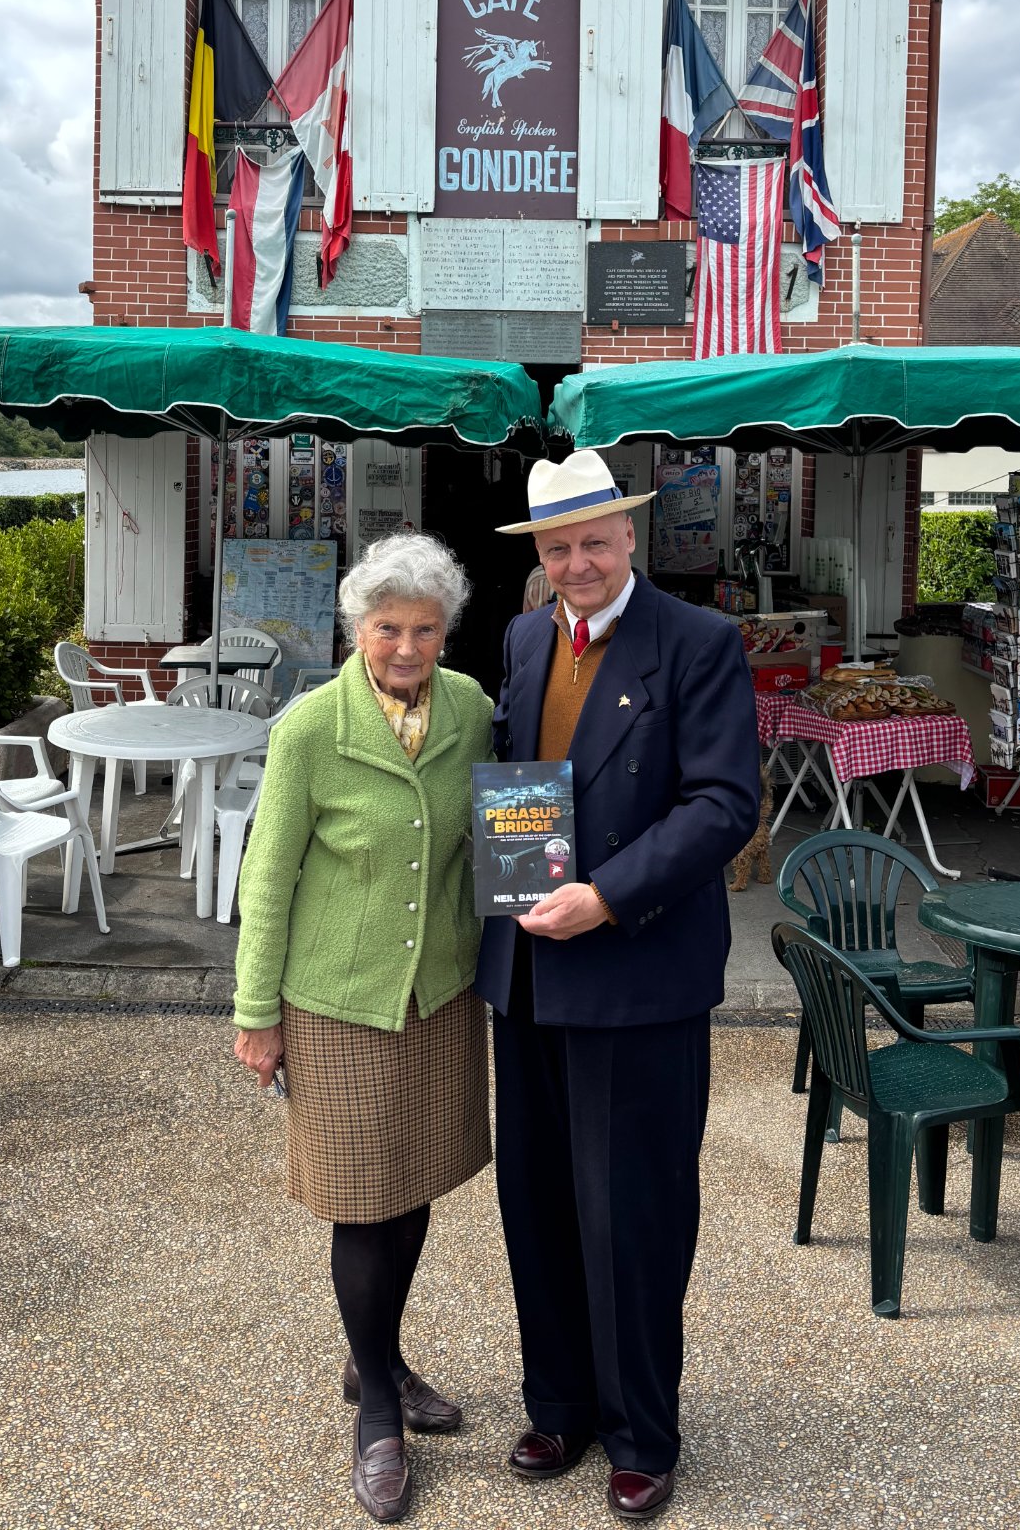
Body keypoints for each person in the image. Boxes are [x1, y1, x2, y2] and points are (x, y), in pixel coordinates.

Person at [479, 449, 761, 1521]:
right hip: (532, 973)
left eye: (595, 539)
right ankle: (560, 1403)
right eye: (559, 546)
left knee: (634, 1211)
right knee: (537, 1200)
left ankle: (643, 1429)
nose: (579, 561)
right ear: (540, 556)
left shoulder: (697, 641)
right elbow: (520, 779)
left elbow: (725, 803)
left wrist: (606, 893)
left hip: (637, 971)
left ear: (631, 536)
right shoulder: (521, 635)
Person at [232, 532, 494, 1525]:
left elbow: (505, 826)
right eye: (388, 626)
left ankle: (373, 1352)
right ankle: (378, 1405)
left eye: (425, 628)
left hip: (438, 993)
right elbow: (269, 875)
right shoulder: (310, 729)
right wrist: (257, 1013)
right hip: (335, 998)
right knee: (362, 1196)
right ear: (357, 627)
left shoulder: (471, 710)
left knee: (415, 1176)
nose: (406, 646)